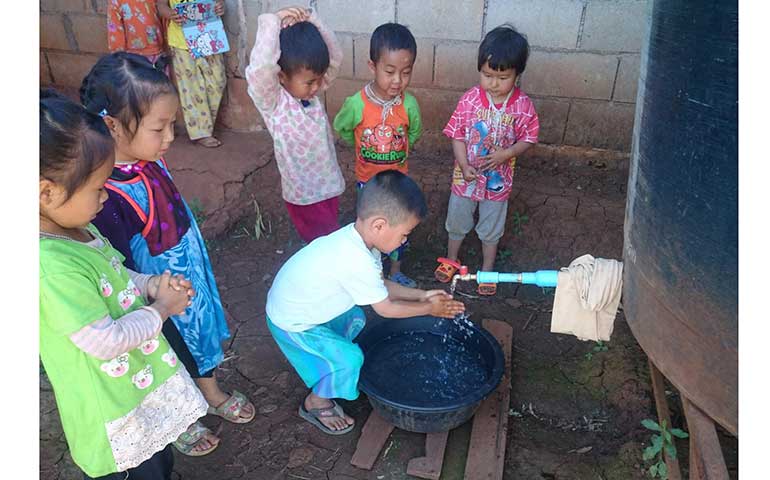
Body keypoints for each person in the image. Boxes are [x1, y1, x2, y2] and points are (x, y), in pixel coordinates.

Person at [81, 52, 255, 456]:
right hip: (157, 292)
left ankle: (209, 391)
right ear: (112, 126)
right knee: (169, 354)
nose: (171, 138)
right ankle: (180, 420)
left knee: (204, 336)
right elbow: (119, 268)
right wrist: (155, 296)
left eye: (171, 126)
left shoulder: (150, 161)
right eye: (159, 128)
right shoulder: (106, 196)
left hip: (188, 274)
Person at [39, 89, 210, 479]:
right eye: (97, 188)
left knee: (159, 459)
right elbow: (104, 340)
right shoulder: (51, 268)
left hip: (135, 384)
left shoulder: (77, 227)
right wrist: (162, 309)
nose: (105, 197)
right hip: (113, 408)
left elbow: (112, 273)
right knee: (139, 469)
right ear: (46, 192)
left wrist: (149, 284)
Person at [265, 171, 465, 435]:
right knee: (350, 359)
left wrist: (423, 295)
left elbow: (378, 283)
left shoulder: (358, 242)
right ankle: (316, 402)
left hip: (303, 306)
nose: (404, 240)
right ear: (379, 225)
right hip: (292, 322)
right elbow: (385, 308)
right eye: (404, 234)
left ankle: (332, 361)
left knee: (355, 318)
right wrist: (430, 308)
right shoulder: (355, 260)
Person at [434, 24, 540, 296]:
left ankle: (488, 268)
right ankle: (452, 259)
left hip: (497, 183)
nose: (493, 83)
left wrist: (507, 154)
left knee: (491, 226)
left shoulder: (522, 106)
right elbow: (457, 134)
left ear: (517, 74)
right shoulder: (470, 100)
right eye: (487, 75)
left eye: (502, 77)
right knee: (457, 219)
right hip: (465, 178)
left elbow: (529, 137)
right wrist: (463, 164)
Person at [245, 6, 345, 243]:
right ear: (281, 76)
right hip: (304, 196)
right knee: (320, 245)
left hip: (329, 187)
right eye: (310, 82)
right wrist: (273, 21)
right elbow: (260, 69)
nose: (316, 87)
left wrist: (314, 21)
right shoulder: (275, 103)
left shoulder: (311, 95)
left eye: (319, 80)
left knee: (328, 239)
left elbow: (335, 58)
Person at [333, 23, 422, 288]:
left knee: (399, 230)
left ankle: (395, 271)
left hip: (398, 184)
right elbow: (342, 127)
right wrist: (360, 146)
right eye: (390, 71)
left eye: (405, 73)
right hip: (368, 183)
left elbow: (413, 133)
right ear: (372, 66)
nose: (397, 81)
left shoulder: (409, 105)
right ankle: (371, 274)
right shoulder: (357, 104)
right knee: (370, 230)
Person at [156, 0, 226, 148]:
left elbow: (219, 1)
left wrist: (219, 6)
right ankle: (202, 132)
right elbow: (161, 5)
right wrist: (170, 14)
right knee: (191, 86)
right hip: (181, 41)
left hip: (209, 35)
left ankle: (206, 125)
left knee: (218, 81)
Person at [107, 0, 170, 74]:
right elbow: (115, 31)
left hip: (157, 54)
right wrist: (119, 59)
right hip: (132, 57)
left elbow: (164, 18)